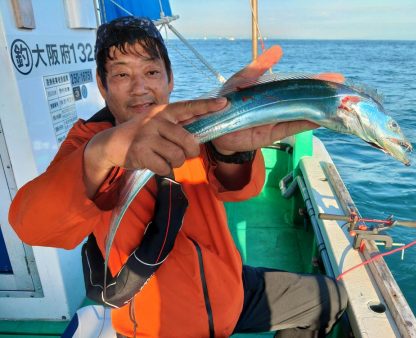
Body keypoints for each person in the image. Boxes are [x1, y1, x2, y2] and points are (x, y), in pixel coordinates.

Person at [9, 16, 347, 338]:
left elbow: (239, 189)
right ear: (102, 84)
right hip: (157, 321)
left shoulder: (192, 123)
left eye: (152, 71)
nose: (140, 88)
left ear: (170, 79)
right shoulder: (87, 144)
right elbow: (33, 226)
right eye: (122, 75)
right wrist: (104, 153)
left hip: (228, 291)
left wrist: (233, 150)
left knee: (328, 298)